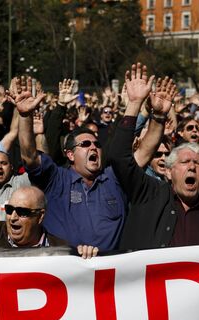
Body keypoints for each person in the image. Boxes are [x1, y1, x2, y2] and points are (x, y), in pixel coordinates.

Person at [109, 63, 199, 250]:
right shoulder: (148, 194)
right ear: (169, 171)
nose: (191, 167)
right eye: (185, 162)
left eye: (197, 163)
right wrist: (135, 105)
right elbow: (119, 158)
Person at [16, 76, 127, 251]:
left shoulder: (114, 179)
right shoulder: (56, 179)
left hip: (109, 274)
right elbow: (30, 156)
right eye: (85, 144)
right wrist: (24, 116)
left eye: (97, 144)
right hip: (63, 273)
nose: (93, 147)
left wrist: (136, 108)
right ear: (70, 155)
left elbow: (138, 153)